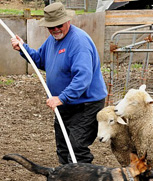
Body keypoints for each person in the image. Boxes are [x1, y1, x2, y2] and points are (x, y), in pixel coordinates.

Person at [11, 2, 107, 167]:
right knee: (63, 147)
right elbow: (40, 60)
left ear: (67, 21)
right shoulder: (52, 40)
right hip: (64, 103)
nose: (55, 29)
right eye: (51, 27)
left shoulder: (79, 43)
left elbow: (83, 77)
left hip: (85, 103)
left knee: (77, 146)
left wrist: (62, 97)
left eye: (58, 25)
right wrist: (23, 48)